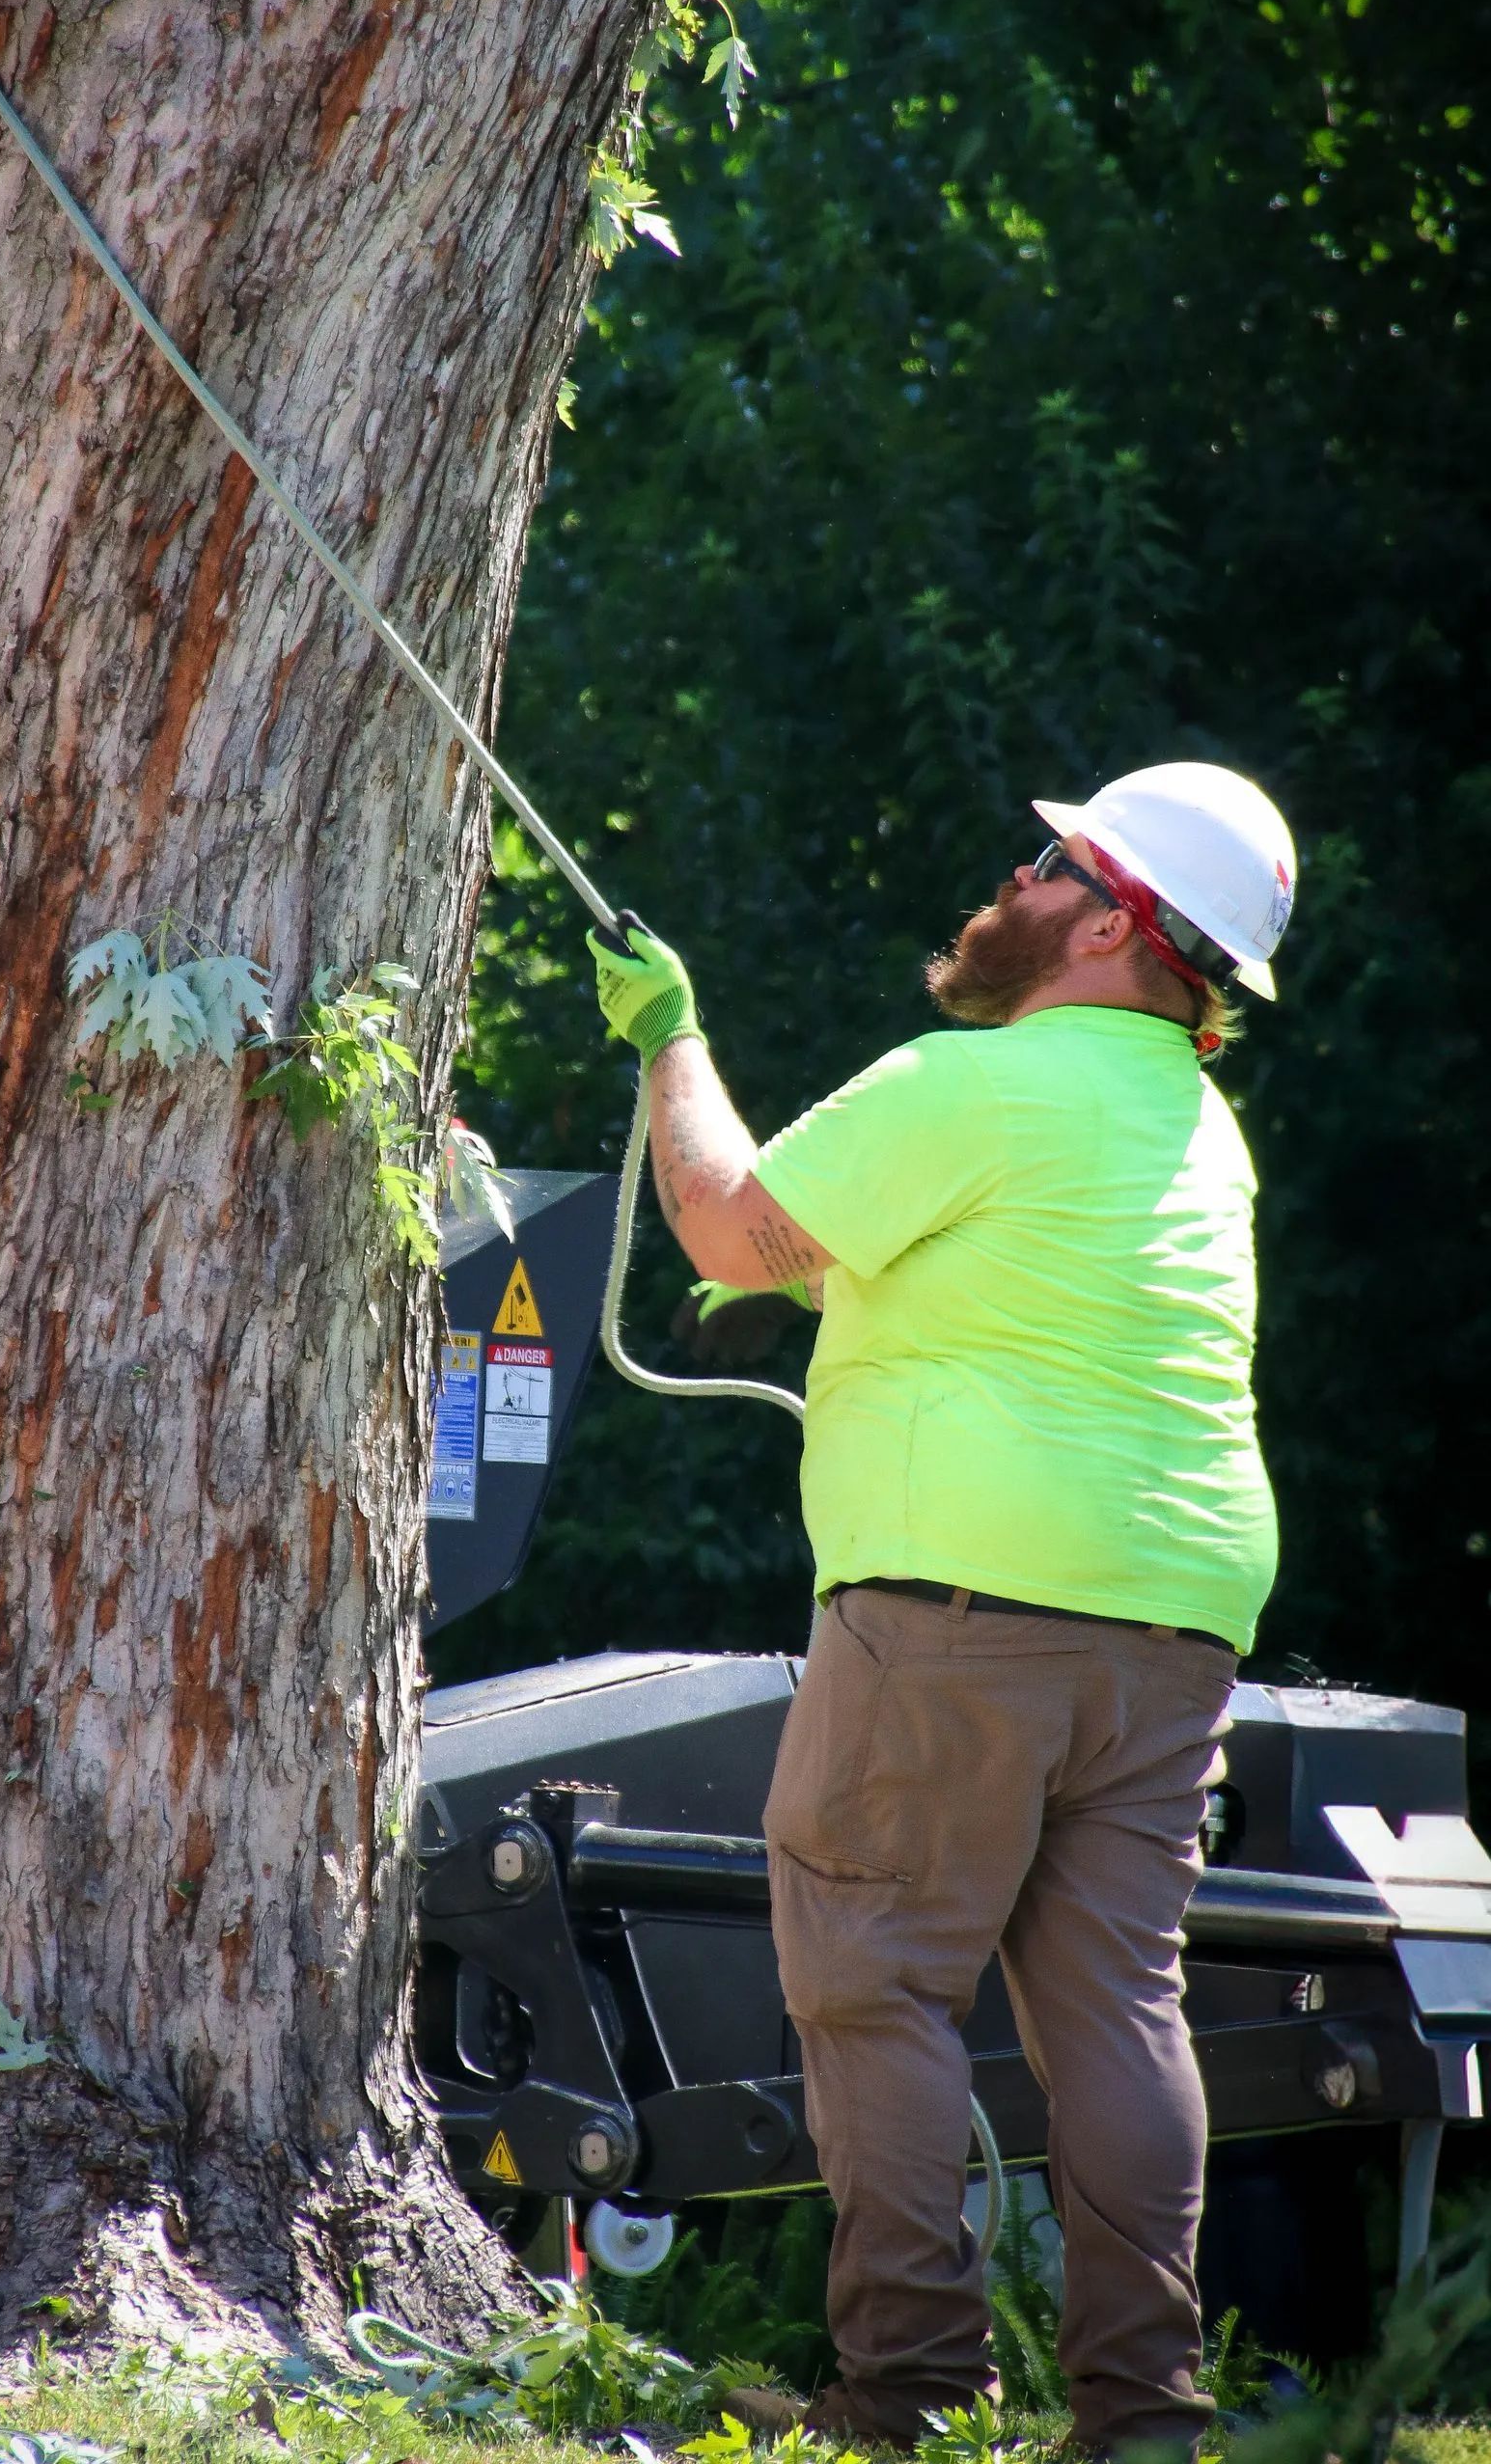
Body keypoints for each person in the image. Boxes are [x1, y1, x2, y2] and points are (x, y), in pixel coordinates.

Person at [588, 762, 1297, 2461]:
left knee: (872, 1982)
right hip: (1180, 1609)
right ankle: (1145, 2416)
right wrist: (843, 1260)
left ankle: (904, 2396)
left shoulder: (970, 1082)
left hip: (965, 1596)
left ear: (1117, 924)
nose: (1015, 872)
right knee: (1118, 2012)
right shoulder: (1199, 1127)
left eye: (1053, 861)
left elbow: (724, 1221)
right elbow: (1012, 1271)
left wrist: (669, 1040)